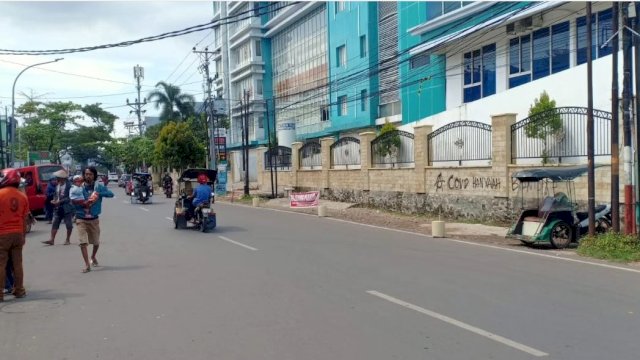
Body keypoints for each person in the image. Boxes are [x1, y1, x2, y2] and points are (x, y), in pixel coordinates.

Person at [72, 166, 113, 273]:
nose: (88, 176)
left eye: (90, 174)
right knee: (83, 242)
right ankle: (87, 265)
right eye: (86, 174)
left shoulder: (98, 187)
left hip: (94, 219)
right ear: (83, 175)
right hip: (81, 218)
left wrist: (99, 194)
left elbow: (111, 194)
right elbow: (72, 199)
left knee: (96, 242)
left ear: (94, 176)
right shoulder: (78, 187)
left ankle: (93, 256)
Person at [0, 168, 30, 301]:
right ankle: (19, 290)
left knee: (1, 264)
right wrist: (23, 236)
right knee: (17, 264)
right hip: (18, 233)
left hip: (2, 234)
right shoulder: (22, 196)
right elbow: (24, 219)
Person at [42, 170, 74, 246]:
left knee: (68, 224)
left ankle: (67, 239)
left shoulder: (70, 186)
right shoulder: (57, 186)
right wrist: (54, 200)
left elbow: (70, 197)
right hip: (58, 208)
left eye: (58, 178)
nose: (56, 179)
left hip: (67, 208)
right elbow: (56, 195)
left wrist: (59, 201)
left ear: (63, 178)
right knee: (55, 223)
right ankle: (52, 239)